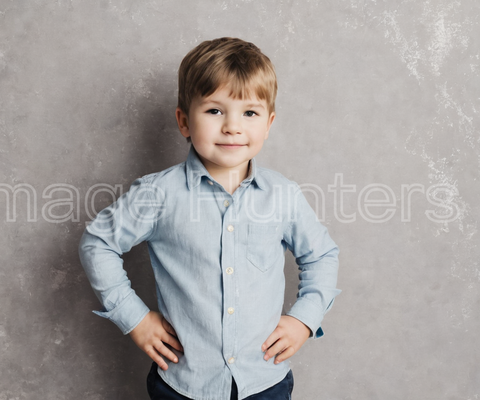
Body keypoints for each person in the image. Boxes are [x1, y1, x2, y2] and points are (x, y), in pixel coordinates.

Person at [78, 37, 341, 400]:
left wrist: (304, 319)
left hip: (263, 381)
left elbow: (322, 256)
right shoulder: (158, 194)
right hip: (183, 384)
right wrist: (134, 318)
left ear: (269, 123)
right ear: (184, 121)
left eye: (249, 113)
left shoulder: (283, 195)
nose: (233, 126)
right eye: (215, 111)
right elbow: (99, 243)